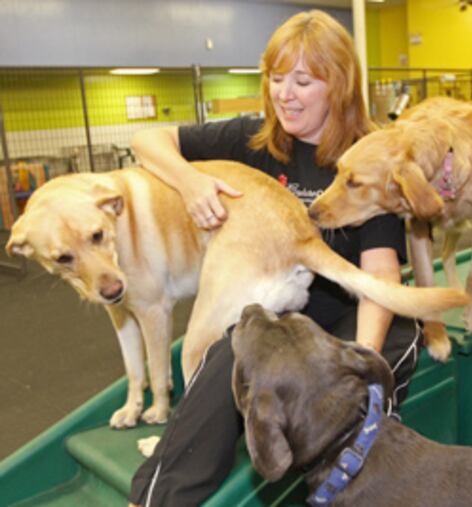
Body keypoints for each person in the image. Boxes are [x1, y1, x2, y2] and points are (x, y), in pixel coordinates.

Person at [128, 10, 421, 506]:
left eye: (303, 81)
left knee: (398, 337)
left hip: (346, 311)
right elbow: (146, 141)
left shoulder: (366, 156)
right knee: (228, 351)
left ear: (339, 84)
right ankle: (157, 498)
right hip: (281, 319)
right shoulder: (255, 139)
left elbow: (379, 273)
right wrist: (189, 179)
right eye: (276, 78)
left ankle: (369, 445)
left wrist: (359, 363)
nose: (284, 93)